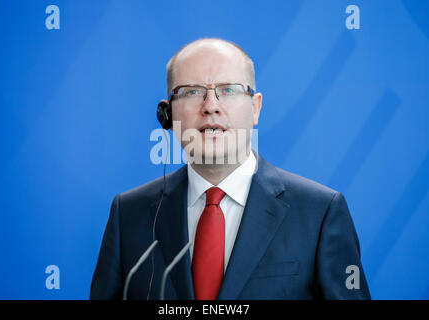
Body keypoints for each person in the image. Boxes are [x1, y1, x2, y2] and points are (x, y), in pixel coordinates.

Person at [90, 38, 371, 300]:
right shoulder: (128, 214)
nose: (210, 106)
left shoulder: (320, 212)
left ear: (255, 108)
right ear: (168, 114)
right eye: (192, 92)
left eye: (228, 90)